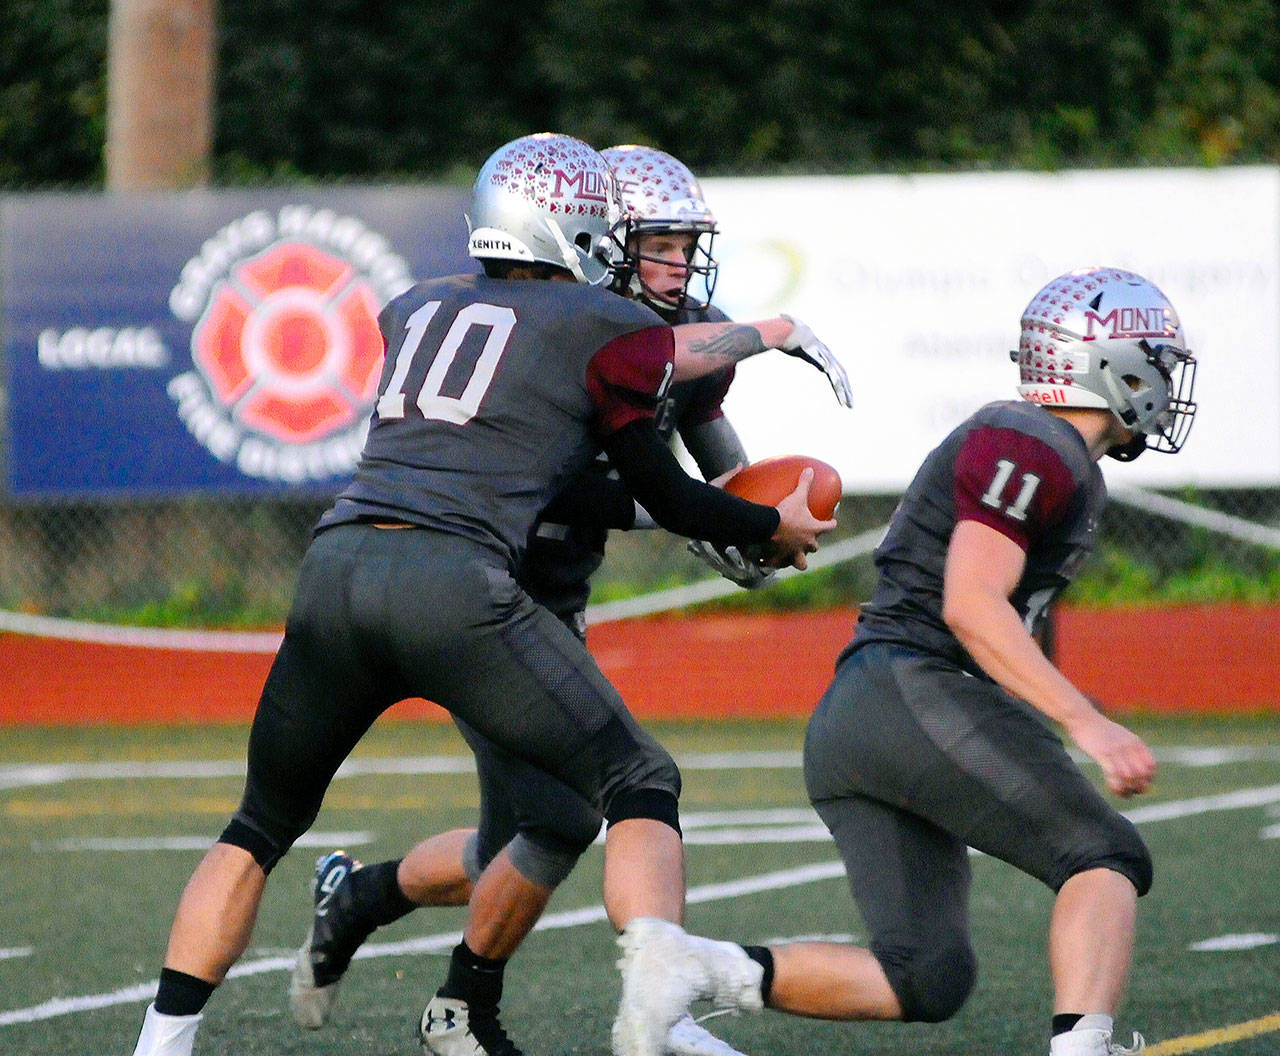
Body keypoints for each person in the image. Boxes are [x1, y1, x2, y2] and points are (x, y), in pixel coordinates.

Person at [127, 131, 840, 1056]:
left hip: (341, 564)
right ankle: (652, 1015)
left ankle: (170, 1036)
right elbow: (645, 473)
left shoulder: (417, 305)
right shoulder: (609, 327)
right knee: (633, 784)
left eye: (679, 244)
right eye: (652, 241)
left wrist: (738, 516)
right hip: (472, 591)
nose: (673, 261)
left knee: (293, 823)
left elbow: (692, 455)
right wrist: (775, 356)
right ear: (592, 232)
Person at [660, 266, 1198, 1056]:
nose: (1166, 377)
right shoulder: (1031, 440)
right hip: (914, 691)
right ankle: (1085, 1048)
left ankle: (689, 975)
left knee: (926, 976)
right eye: (1156, 358)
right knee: (1103, 854)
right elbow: (972, 604)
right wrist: (1087, 722)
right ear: (1107, 362)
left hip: (863, 714)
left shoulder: (1044, 448)